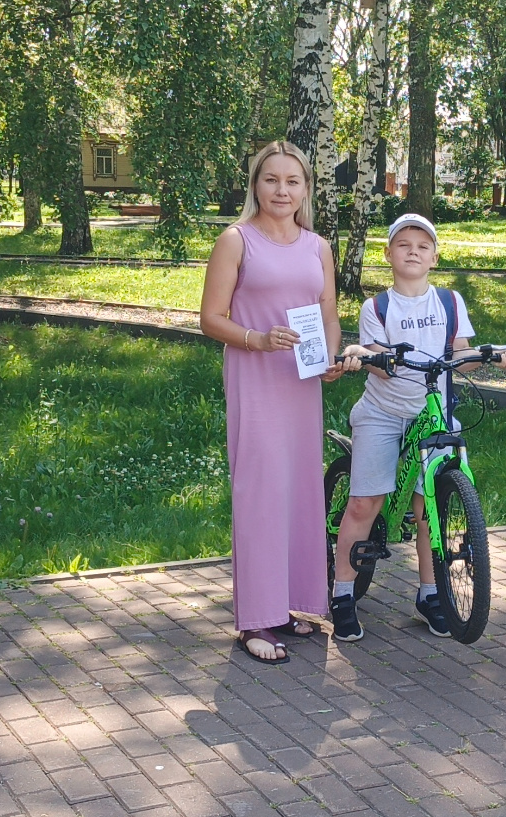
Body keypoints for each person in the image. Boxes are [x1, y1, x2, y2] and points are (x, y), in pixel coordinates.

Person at [333, 213, 506, 641]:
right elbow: (377, 360)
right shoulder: (377, 307)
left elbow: (461, 355)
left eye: (423, 246)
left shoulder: (450, 302)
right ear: (388, 254)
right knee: (364, 504)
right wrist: (367, 354)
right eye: (403, 245)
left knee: (428, 508)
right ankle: (342, 594)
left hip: (435, 412)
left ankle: (430, 593)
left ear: (435, 257)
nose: (413, 252)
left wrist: (493, 356)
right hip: (383, 412)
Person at [200, 140, 344, 665]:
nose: (282, 190)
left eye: (292, 181)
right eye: (271, 180)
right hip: (256, 380)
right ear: (255, 184)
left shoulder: (318, 246)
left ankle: (293, 605)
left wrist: (330, 357)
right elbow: (210, 318)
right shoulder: (235, 240)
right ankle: (255, 619)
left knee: (300, 491)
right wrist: (257, 340)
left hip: (302, 385)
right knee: (260, 492)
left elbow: (328, 312)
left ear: (306, 189)